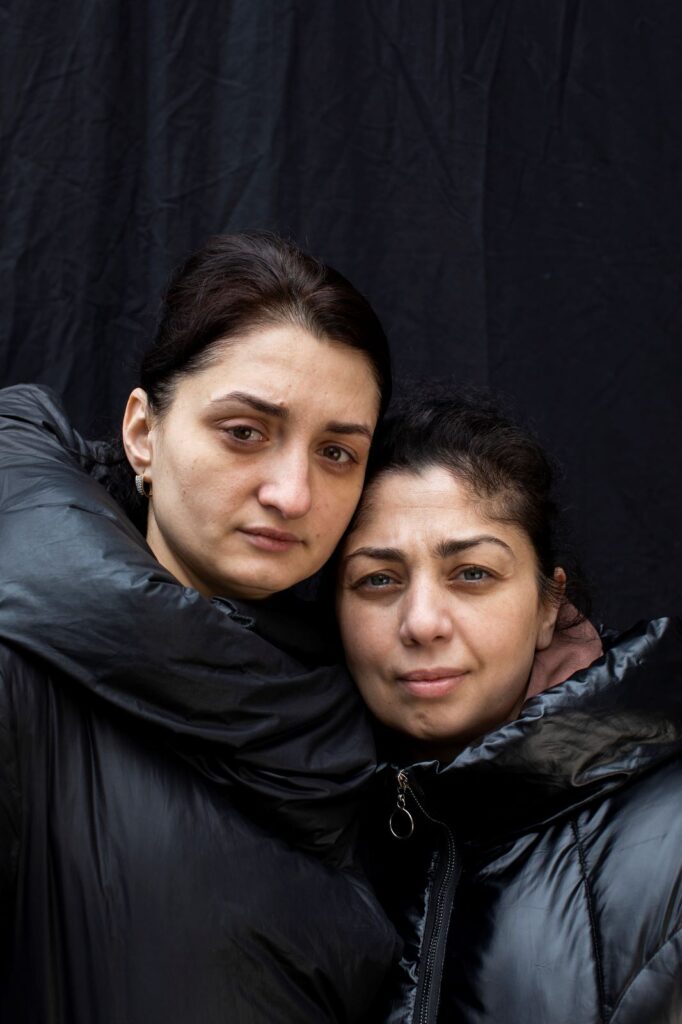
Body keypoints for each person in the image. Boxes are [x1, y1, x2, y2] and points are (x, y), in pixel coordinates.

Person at [0, 232, 400, 1023]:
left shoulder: (372, 702)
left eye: (337, 452)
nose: (292, 493)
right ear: (144, 433)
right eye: (245, 431)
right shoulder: (23, 682)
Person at [336, 392, 682, 1024]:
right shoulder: (300, 827)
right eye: (378, 579)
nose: (421, 623)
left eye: (472, 574)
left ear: (549, 604)